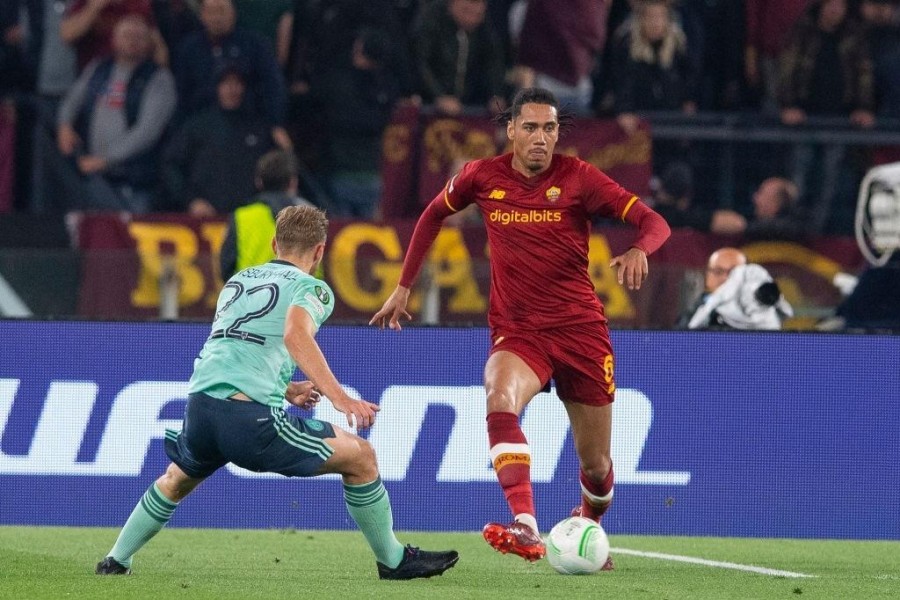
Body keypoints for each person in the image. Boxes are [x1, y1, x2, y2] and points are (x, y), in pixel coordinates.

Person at [370, 87, 671, 565]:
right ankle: (525, 524)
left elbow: (654, 221)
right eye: (529, 127)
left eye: (549, 128)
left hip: (581, 333)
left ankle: (589, 525)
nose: (540, 138)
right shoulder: (481, 176)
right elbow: (432, 215)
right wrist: (404, 287)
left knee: (596, 467)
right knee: (497, 395)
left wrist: (639, 249)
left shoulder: (579, 178)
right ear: (510, 131)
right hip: (519, 331)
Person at [95, 205, 459, 580]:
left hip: (201, 409)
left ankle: (115, 560)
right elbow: (295, 335)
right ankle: (394, 560)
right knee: (362, 457)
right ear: (319, 251)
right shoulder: (311, 287)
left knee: (176, 479)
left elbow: (234, 348)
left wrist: (285, 389)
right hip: (250, 424)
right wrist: (341, 398)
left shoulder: (237, 283)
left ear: (274, 243)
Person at [54, 14, 176, 212]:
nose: (132, 41)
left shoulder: (158, 78)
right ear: (114, 39)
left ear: (149, 42)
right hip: (94, 177)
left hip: (136, 181)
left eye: (139, 36)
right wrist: (64, 125)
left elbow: (147, 132)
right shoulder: (99, 68)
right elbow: (72, 100)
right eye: (127, 35)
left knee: (130, 238)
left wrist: (105, 160)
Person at [219, 149, 315, 280]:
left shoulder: (241, 216)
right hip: (298, 298)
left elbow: (226, 267)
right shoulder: (310, 218)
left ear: (259, 182)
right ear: (293, 182)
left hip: (251, 297)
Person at [688, 261, 794, 330]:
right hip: (718, 321)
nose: (753, 304)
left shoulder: (768, 320)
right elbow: (707, 307)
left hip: (741, 332)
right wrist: (689, 332)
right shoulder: (734, 287)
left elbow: (787, 314)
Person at [677, 246, 746, 327]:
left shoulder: (758, 312)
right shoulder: (691, 312)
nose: (725, 278)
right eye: (718, 271)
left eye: (734, 272)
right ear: (708, 276)